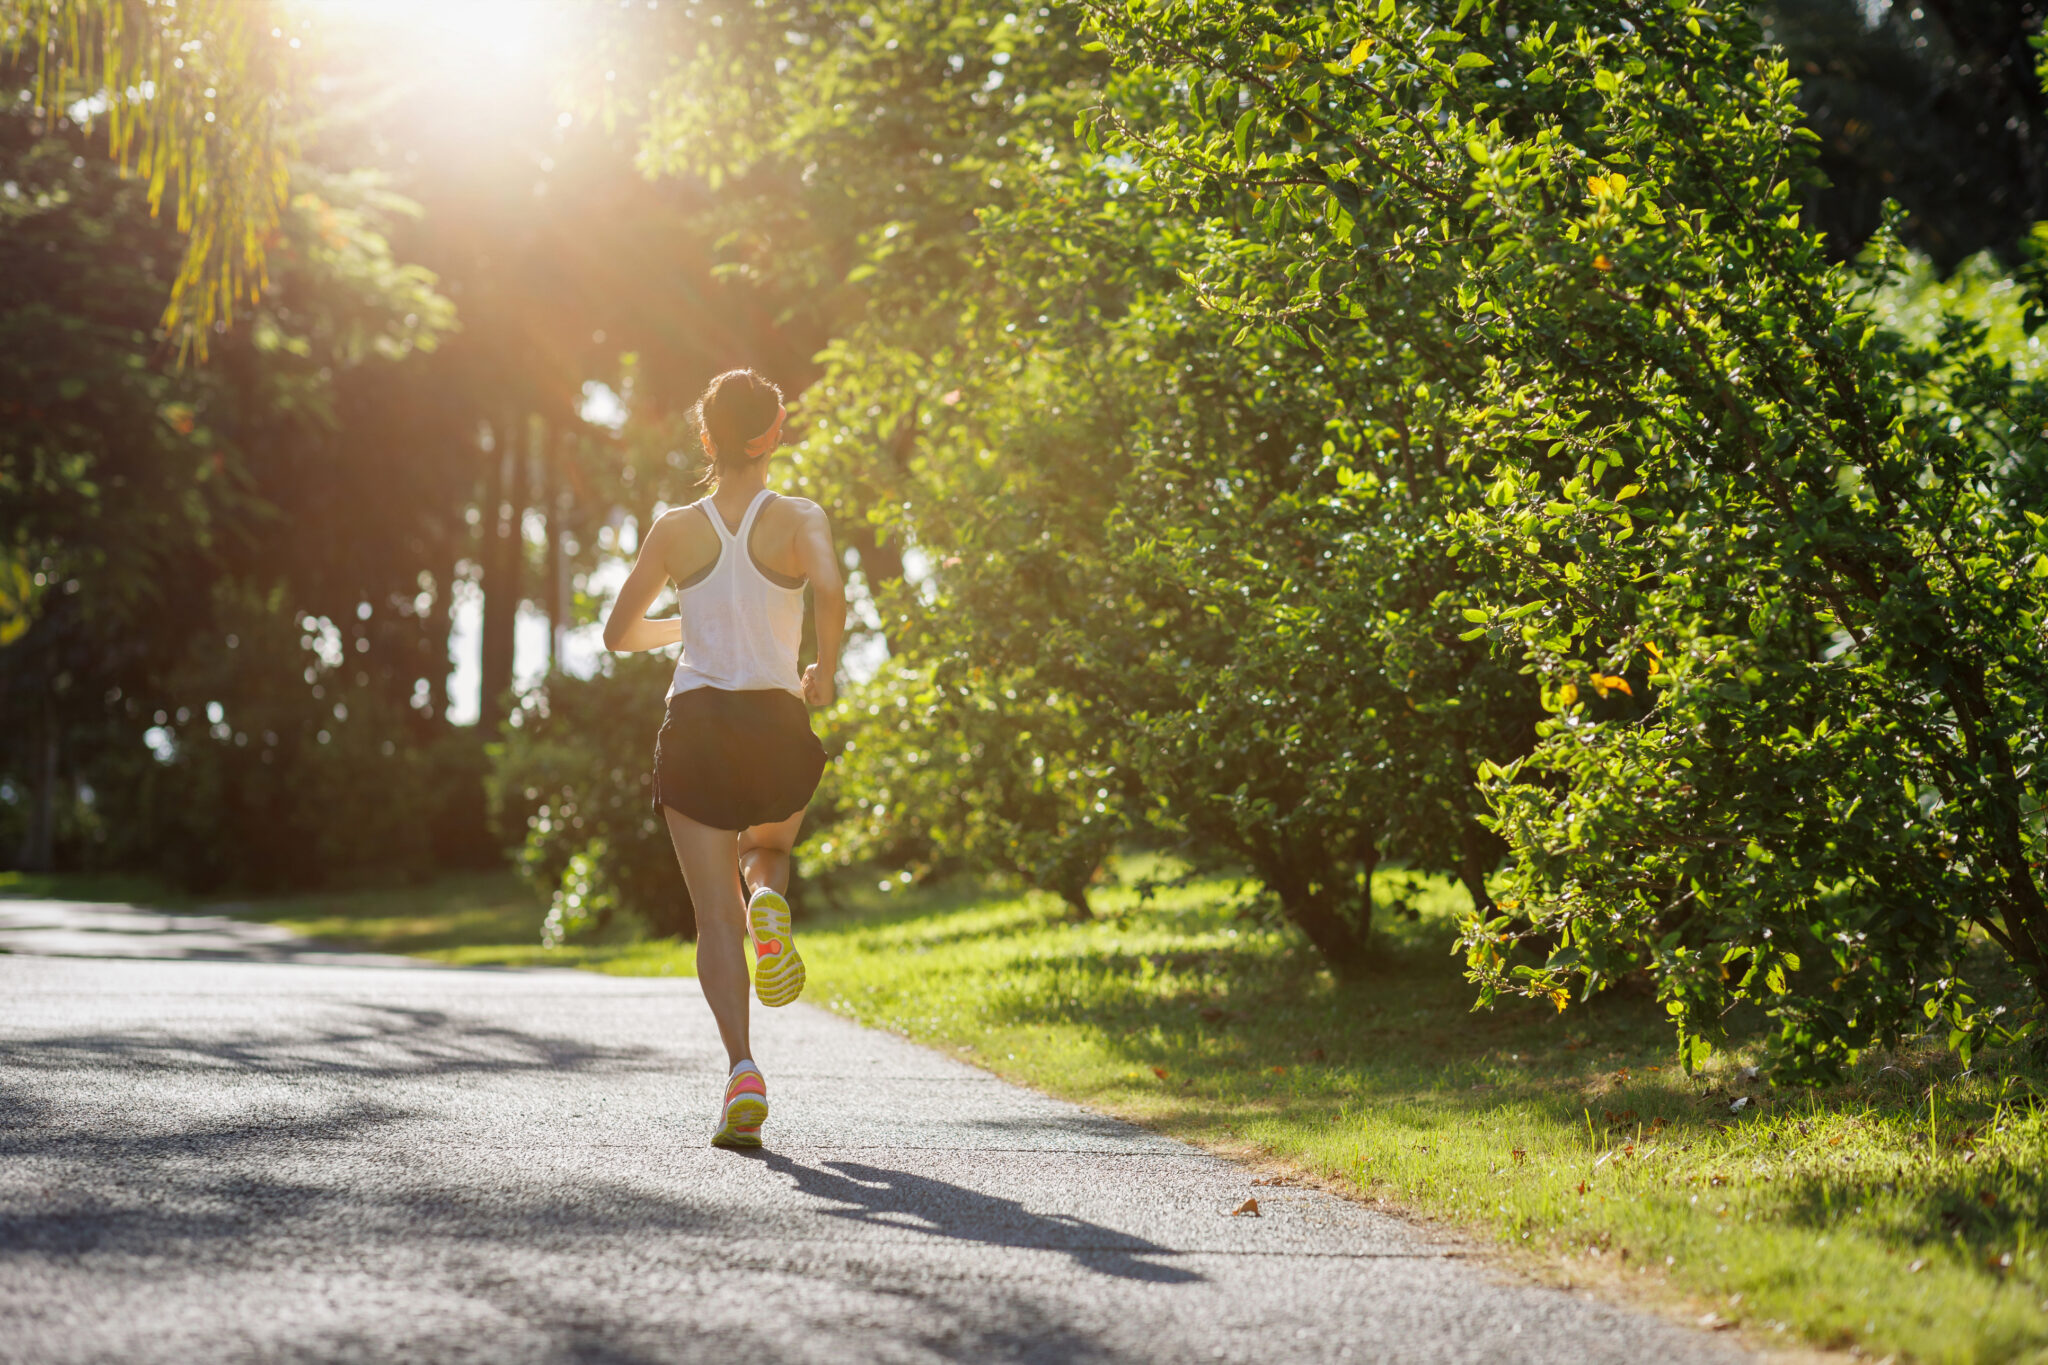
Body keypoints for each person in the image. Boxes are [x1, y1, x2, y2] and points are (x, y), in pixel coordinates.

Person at [601, 368, 844, 1149]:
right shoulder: (800, 518)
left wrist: (689, 622)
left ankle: (742, 1069)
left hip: (698, 720)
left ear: (707, 436)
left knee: (713, 918)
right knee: (766, 847)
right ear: (771, 433)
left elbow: (617, 633)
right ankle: (768, 901)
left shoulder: (676, 527)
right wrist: (824, 671)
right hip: (776, 718)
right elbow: (833, 591)